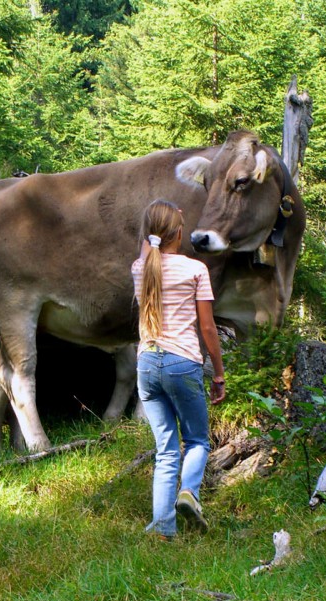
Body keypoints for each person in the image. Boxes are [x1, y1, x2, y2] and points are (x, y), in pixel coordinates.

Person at [131, 199, 226, 539]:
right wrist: (218, 372)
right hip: (182, 362)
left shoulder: (140, 268)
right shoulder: (195, 270)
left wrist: (159, 222)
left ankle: (162, 527)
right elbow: (208, 329)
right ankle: (189, 492)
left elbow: (149, 245)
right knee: (198, 440)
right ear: (179, 232)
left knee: (166, 449)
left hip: (146, 363)